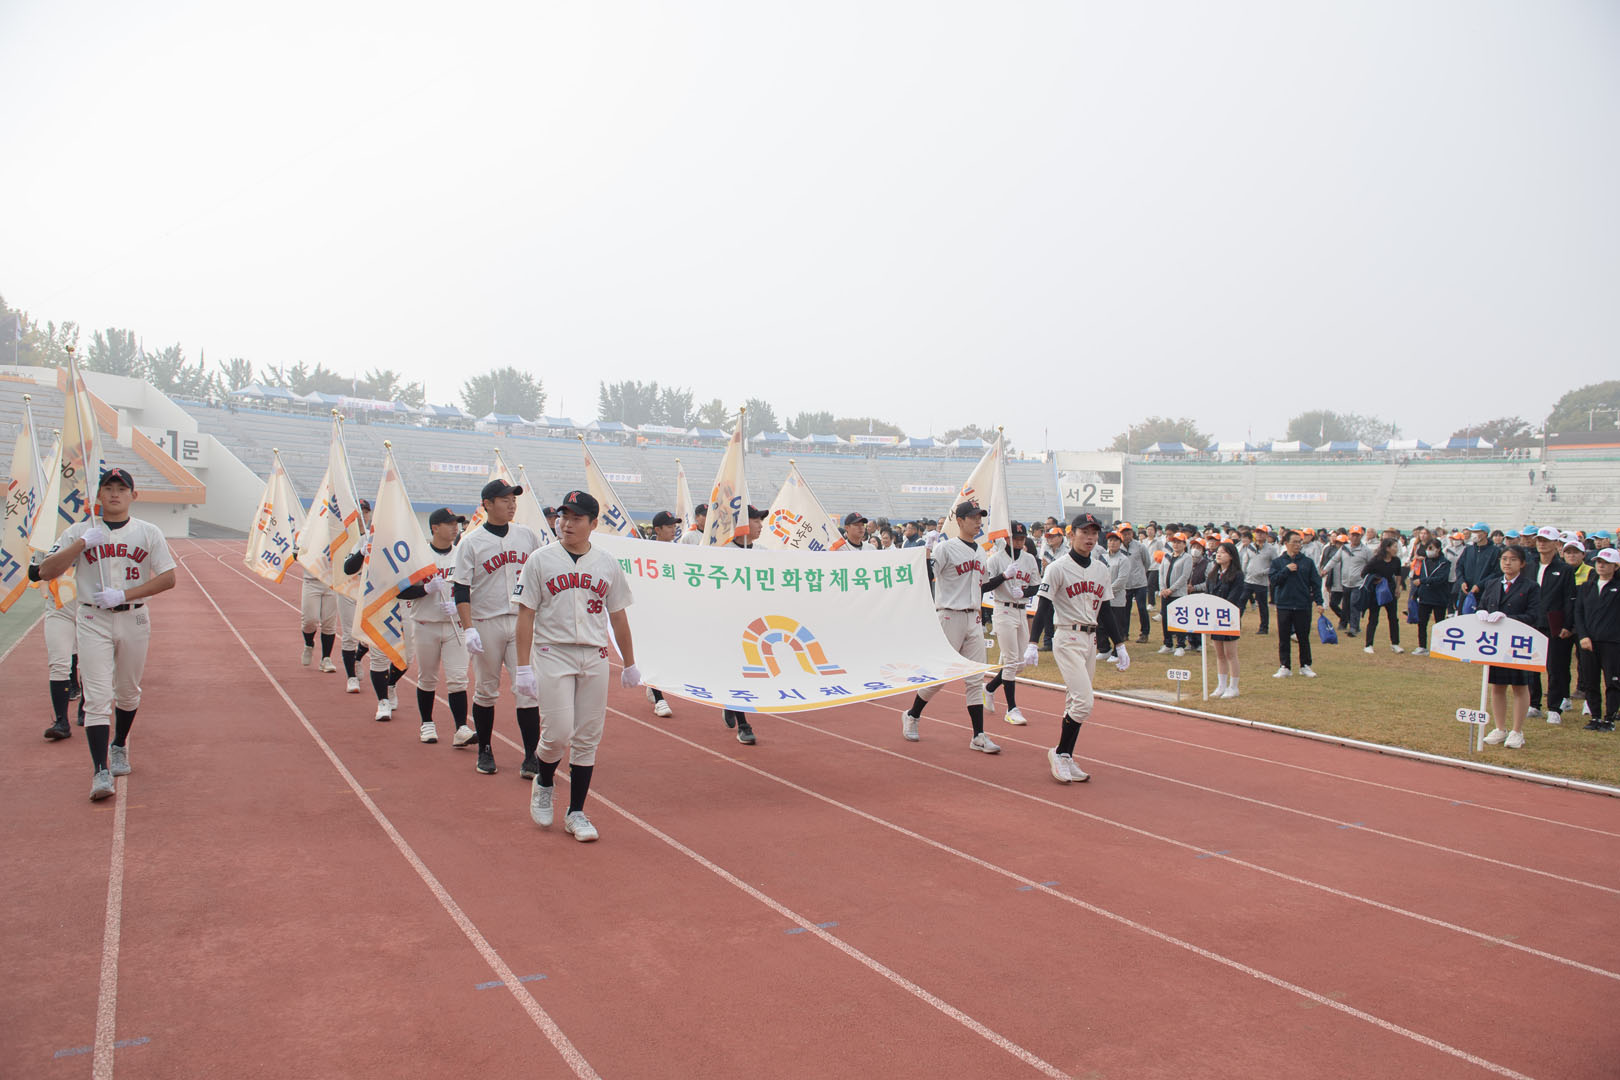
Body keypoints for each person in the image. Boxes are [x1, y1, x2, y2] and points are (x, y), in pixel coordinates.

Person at [39, 469, 178, 801]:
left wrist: (124, 595)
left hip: (133, 616)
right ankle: (100, 770)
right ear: (98, 495)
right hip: (92, 617)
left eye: (122, 488)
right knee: (97, 697)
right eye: (108, 488)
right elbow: (46, 571)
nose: (115, 494)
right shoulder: (79, 531)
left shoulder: (148, 532)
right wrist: (81, 544)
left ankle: (118, 745)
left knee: (127, 692)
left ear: (133, 495)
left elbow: (169, 578)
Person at [513, 490, 638, 843]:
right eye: (562, 517)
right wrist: (522, 667)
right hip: (553, 651)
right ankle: (545, 781)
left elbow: (618, 615)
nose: (566, 524)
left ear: (593, 524)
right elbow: (525, 614)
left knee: (587, 736)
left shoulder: (606, 563)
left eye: (576, 518)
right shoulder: (540, 560)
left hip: (595, 654)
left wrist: (629, 663)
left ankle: (576, 812)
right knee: (557, 733)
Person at [1023, 512, 1128, 783]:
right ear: (1071, 535)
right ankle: (1060, 753)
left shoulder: (1101, 569)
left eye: (1094, 533)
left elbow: (1106, 610)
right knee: (1084, 701)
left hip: (1090, 639)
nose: (1090, 537)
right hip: (1067, 636)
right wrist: (1033, 642)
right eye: (1084, 532)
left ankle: (1066, 755)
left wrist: (1120, 645)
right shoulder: (1057, 568)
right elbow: (1044, 606)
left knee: (1074, 701)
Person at [453, 478, 543, 777]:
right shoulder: (471, 542)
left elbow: (541, 574)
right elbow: (461, 588)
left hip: (520, 621)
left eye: (513, 499)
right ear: (487, 504)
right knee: (486, 690)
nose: (511, 504)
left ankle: (531, 755)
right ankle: (485, 749)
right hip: (486, 622)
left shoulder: (526, 536)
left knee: (527, 689)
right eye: (505, 500)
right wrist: (468, 628)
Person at [898, 502, 999, 753]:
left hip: (974, 617)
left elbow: (982, 585)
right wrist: (927, 553)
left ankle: (978, 735)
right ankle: (913, 714)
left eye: (980, 517)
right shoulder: (945, 548)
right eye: (973, 517)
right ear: (960, 520)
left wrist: (1004, 577)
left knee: (975, 677)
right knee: (941, 674)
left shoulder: (981, 551)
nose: (978, 521)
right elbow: (926, 576)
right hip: (949, 615)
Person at [394, 508, 472, 745]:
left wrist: (458, 606)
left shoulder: (461, 554)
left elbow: (473, 586)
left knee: (458, 678)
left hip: (454, 624)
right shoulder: (420, 556)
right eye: (450, 524)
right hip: (426, 623)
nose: (455, 528)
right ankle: (427, 723)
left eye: (456, 523)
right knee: (427, 677)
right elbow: (400, 590)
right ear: (435, 528)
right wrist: (425, 589)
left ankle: (461, 728)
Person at [1478, 545, 1539, 749]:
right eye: (1504, 559)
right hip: (1496, 644)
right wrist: (1480, 613)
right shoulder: (1493, 583)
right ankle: (1500, 728)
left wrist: (1508, 618)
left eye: (1513, 559)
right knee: (1497, 686)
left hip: (1518, 644)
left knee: (1520, 687)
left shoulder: (1530, 587)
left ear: (1522, 563)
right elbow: (1483, 606)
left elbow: (1534, 615)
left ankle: (1517, 731)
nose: (1507, 563)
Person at [982, 522, 1040, 724]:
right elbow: (984, 586)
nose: (1019, 542)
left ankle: (989, 688)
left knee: (1020, 663)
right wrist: (1004, 576)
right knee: (1011, 661)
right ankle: (1011, 708)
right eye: (1015, 538)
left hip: (1021, 610)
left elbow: (1036, 586)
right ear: (1007, 538)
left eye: (1022, 538)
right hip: (1003, 609)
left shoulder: (1029, 559)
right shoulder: (996, 559)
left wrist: (1024, 592)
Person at [721, 505, 769, 744]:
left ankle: (731, 703)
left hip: (756, 622)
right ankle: (744, 723)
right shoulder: (721, 551)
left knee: (749, 671)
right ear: (742, 523)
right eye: (756, 520)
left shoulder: (763, 552)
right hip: (729, 621)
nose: (761, 525)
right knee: (735, 667)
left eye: (761, 521)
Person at [31, 556, 84, 739]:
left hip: (90, 607)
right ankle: (61, 722)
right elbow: (33, 573)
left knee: (89, 663)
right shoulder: (48, 542)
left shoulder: (97, 540)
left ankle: (85, 707)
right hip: (59, 609)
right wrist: (56, 564)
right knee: (58, 663)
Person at [1528, 525, 1577, 724]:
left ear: (1556, 544)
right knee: (1530, 664)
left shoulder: (1564, 569)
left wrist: (1567, 624)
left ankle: (1554, 707)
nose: (1542, 544)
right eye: (1539, 540)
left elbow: (1569, 599)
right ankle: (1534, 703)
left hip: (1554, 623)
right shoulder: (1529, 566)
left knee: (1555, 666)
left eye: (1546, 541)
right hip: (1531, 622)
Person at [1573, 548, 1620, 731]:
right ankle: (1595, 716)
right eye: (1599, 562)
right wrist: (1583, 635)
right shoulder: (1587, 587)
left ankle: (1610, 718)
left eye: (1606, 563)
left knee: (1613, 681)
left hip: (1612, 643)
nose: (1601, 566)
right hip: (1588, 642)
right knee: (1590, 680)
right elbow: (1579, 612)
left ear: (1615, 566)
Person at [1270, 530, 1324, 679]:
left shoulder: (1307, 562)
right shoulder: (1278, 562)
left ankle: (1305, 665)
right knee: (1284, 637)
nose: (1298, 545)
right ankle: (1285, 666)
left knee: (1303, 637)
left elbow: (1315, 583)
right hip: (1284, 604)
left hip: (1302, 604)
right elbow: (1274, 581)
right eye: (1294, 542)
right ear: (1286, 543)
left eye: (1299, 542)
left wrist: (1319, 602)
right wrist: (1286, 570)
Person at [645, 510, 681, 718]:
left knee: (668, 654)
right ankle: (659, 699)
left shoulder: (677, 551)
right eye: (669, 526)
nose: (673, 530)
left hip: (671, 610)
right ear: (657, 529)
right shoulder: (645, 551)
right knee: (653, 652)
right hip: (651, 610)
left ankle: (652, 684)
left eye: (674, 526)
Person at [336, 500, 374, 693]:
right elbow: (348, 568)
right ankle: (351, 677)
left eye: (365, 512)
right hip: (348, 589)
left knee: (369, 636)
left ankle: (357, 658)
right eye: (359, 512)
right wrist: (361, 551)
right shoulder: (345, 536)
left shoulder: (374, 535)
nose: (362, 516)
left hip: (369, 592)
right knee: (349, 634)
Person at [1206, 541, 1248, 698]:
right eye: (1218, 552)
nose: (1219, 555)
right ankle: (1221, 685)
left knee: (1230, 653)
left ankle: (1233, 686)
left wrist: (1221, 609)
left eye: (1223, 552)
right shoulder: (1213, 574)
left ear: (1231, 556)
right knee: (1219, 654)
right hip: (1215, 619)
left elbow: (1234, 597)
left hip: (1228, 618)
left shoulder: (1237, 575)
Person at [1321, 526, 1370, 637]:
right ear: (1349, 536)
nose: (1355, 537)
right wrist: (1325, 570)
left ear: (1361, 536)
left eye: (1357, 535)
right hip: (1345, 582)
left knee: (1354, 604)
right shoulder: (1344, 549)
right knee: (1346, 604)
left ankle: (1354, 627)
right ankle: (1343, 623)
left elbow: (1371, 564)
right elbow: (1334, 560)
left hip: (1358, 583)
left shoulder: (1366, 551)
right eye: (1353, 535)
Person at [297, 543, 339, 673]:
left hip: (332, 582)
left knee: (329, 623)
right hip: (311, 581)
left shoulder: (338, 531)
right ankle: (309, 644)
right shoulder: (309, 532)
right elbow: (296, 554)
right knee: (309, 621)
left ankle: (326, 659)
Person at [1360, 537, 1404, 654]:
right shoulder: (1376, 560)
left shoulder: (1396, 560)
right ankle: (1368, 644)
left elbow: (1398, 574)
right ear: (1387, 548)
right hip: (1376, 591)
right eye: (1394, 547)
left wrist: (1398, 588)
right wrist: (1375, 579)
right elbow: (1363, 573)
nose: (1396, 549)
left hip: (1390, 590)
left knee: (1393, 618)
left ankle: (1395, 643)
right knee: (1373, 618)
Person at [1410, 538, 1452, 655]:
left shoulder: (1445, 563)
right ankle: (1422, 646)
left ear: (1438, 549)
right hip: (1425, 596)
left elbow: (1441, 578)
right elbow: (1420, 576)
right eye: (1427, 548)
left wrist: (1423, 581)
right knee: (1422, 622)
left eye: (1431, 548)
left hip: (1439, 597)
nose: (1428, 551)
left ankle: (1439, 647)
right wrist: (1417, 593)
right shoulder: (1424, 562)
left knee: (1439, 623)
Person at [1156, 533, 1192, 656]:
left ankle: (1180, 645)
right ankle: (1168, 643)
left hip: (1178, 594)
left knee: (1179, 619)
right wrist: (1162, 589)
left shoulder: (1187, 558)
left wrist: (1171, 589)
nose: (1176, 544)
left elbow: (1184, 576)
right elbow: (1161, 573)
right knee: (1166, 619)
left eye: (1179, 542)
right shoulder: (1167, 556)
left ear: (1184, 544)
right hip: (1165, 594)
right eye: (1174, 542)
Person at [1115, 523, 1151, 643]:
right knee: (1125, 609)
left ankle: (1144, 633)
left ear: (1132, 533)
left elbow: (1147, 562)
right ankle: (1124, 633)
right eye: (1124, 533)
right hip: (1125, 584)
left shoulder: (1140, 547)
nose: (1126, 536)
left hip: (1140, 583)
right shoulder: (1118, 547)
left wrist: (1140, 574)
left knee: (1142, 608)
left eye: (1128, 533)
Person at [1241, 526, 1278, 635]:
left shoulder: (1271, 549)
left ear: (1266, 535)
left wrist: (1264, 572)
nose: (1259, 535)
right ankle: (1236, 624)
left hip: (1262, 582)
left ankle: (1264, 627)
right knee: (1241, 602)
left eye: (1262, 533)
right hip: (1248, 580)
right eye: (1257, 533)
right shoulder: (1250, 547)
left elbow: (1275, 565)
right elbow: (1245, 561)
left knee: (1262, 605)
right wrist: (1244, 572)